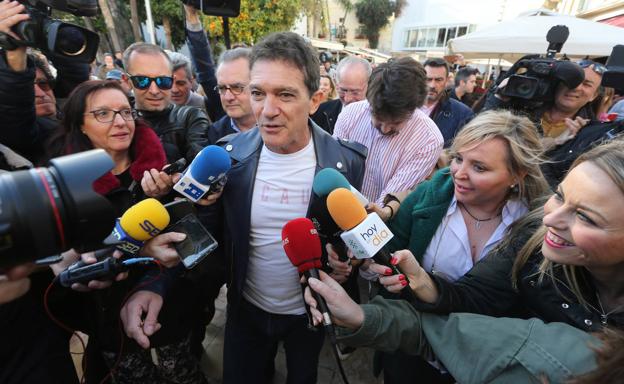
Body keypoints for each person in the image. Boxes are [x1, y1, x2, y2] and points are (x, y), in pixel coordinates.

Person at [120, 31, 367, 384]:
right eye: (257, 93)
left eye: (284, 94)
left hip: (308, 316)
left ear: (315, 100)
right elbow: (199, 237)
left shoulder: (348, 160)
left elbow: (351, 237)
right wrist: (156, 285)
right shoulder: (227, 158)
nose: (267, 111)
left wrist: (349, 261)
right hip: (244, 314)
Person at [331, 109, 550, 383]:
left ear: (517, 174)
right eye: (458, 158)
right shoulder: (429, 194)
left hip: (486, 362)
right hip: (413, 352)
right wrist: (359, 258)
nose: (459, 173)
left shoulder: (539, 227)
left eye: (479, 167)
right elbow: (389, 247)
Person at [44, 80, 209, 384]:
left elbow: (189, 240)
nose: (120, 122)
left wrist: (168, 199)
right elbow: (70, 258)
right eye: (103, 114)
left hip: (169, 303)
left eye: (125, 111)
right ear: (80, 124)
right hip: (107, 315)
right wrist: (138, 247)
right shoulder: (60, 181)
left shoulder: (165, 159)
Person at [378, 139, 624, 333]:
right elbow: (475, 297)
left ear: (518, 175)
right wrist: (420, 280)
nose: (549, 220)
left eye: (585, 217)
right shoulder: (533, 239)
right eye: (559, 196)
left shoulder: (524, 218)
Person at [302, 270, 618, 384]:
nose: (552, 215)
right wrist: (360, 316)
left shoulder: (579, 361)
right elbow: (438, 334)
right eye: (458, 160)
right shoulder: (550, 350)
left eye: (479, 167)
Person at [333, 56, 443, 208]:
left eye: (395, 123)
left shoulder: (429, 140)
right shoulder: (350, 115)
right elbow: (334, 169)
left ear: (414, 110)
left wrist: (375, 215)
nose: (384, 129)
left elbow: (390, 197)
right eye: (377, 118)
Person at [121, 42, 210, 164]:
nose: (154, 90)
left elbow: (202, 166)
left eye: (162, 81)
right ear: (127, 81)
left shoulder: (190, 117)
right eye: (142, 81)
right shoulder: (117, 122)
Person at [421, 58, 474, 148]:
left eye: (438, 80)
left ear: (446, 81)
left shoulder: (462, 114)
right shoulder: (405, 105)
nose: (432, 85)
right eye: (428, 79)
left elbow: (464, 149)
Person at [207, 47, 256, 144]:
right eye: (222, 88)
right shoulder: (214, 135)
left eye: (237, 87)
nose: (228, 97)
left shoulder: (280, 127)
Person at [311, 56, 371, 134]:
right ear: (336, 83)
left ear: (369, 86)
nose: (347, 98)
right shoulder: (321, 112)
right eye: (343, 90)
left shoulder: (378, 120)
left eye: (355, 92)